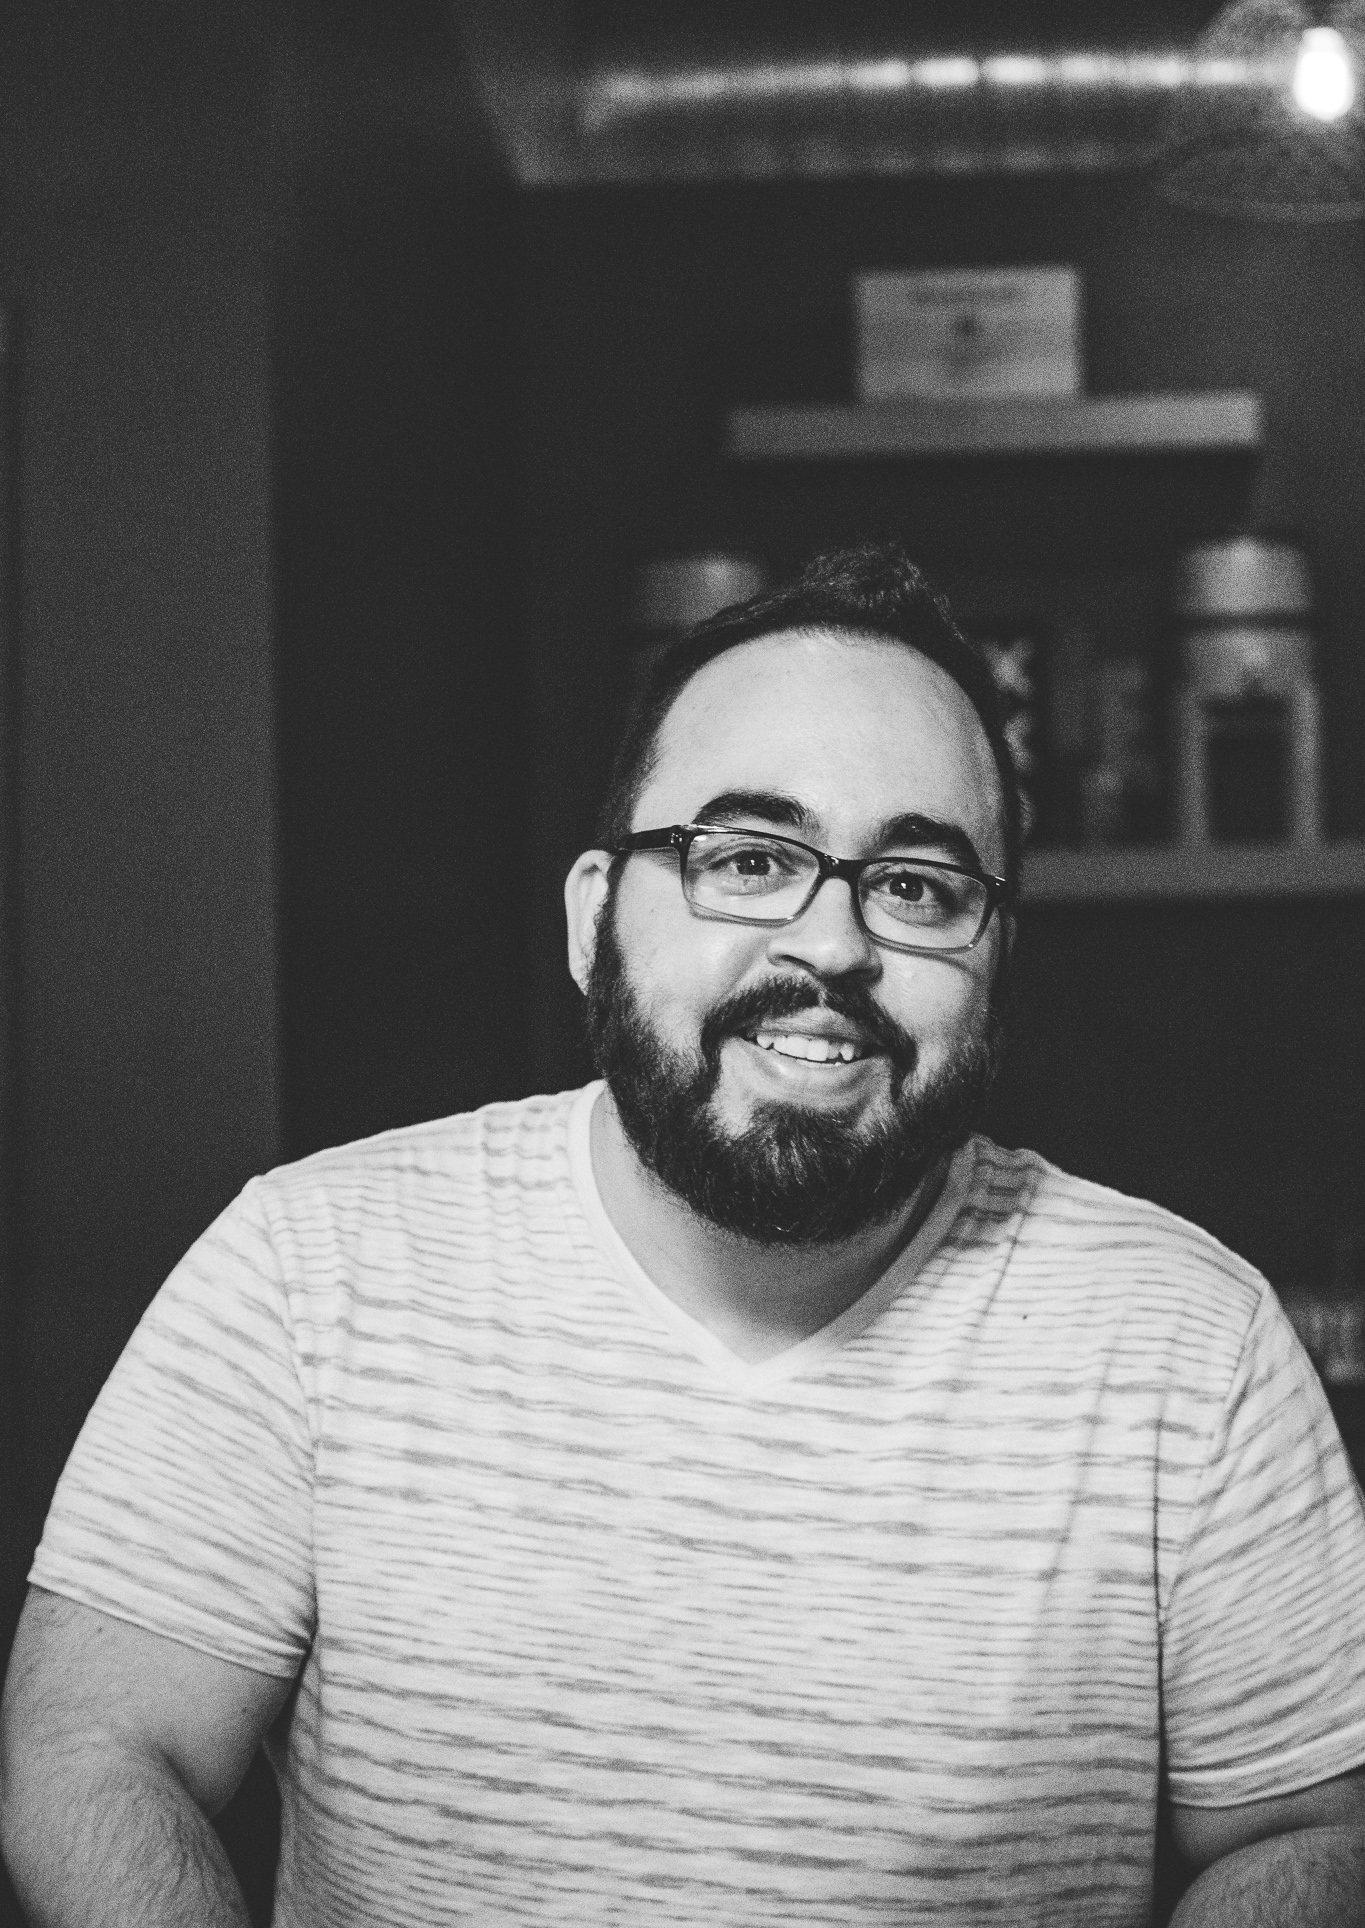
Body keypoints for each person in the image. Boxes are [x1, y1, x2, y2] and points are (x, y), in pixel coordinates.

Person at [2, 544, 1364, 1928]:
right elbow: (96, 1745)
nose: (832, 946)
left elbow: (1307, 1833)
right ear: (594, 920)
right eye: (748, 861)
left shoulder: (1192, 1348)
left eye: (916, 886)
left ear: (996, 959)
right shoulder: (309, 1271)